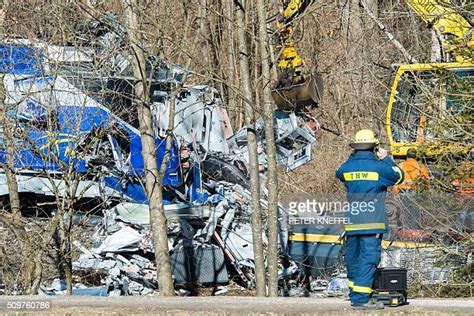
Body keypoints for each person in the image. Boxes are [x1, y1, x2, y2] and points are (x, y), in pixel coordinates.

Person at [336, 129, 404, 310]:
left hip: (352, 222)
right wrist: (386, 158)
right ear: (374, 147)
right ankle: (361, 300)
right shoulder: (379, 167)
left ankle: (355, 295)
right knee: (369, 258)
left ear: (356, 148)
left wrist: (353, 158)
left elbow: (340, 172)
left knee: (354, 258)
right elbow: (399, 176)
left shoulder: (348, 167)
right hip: (372, 221)